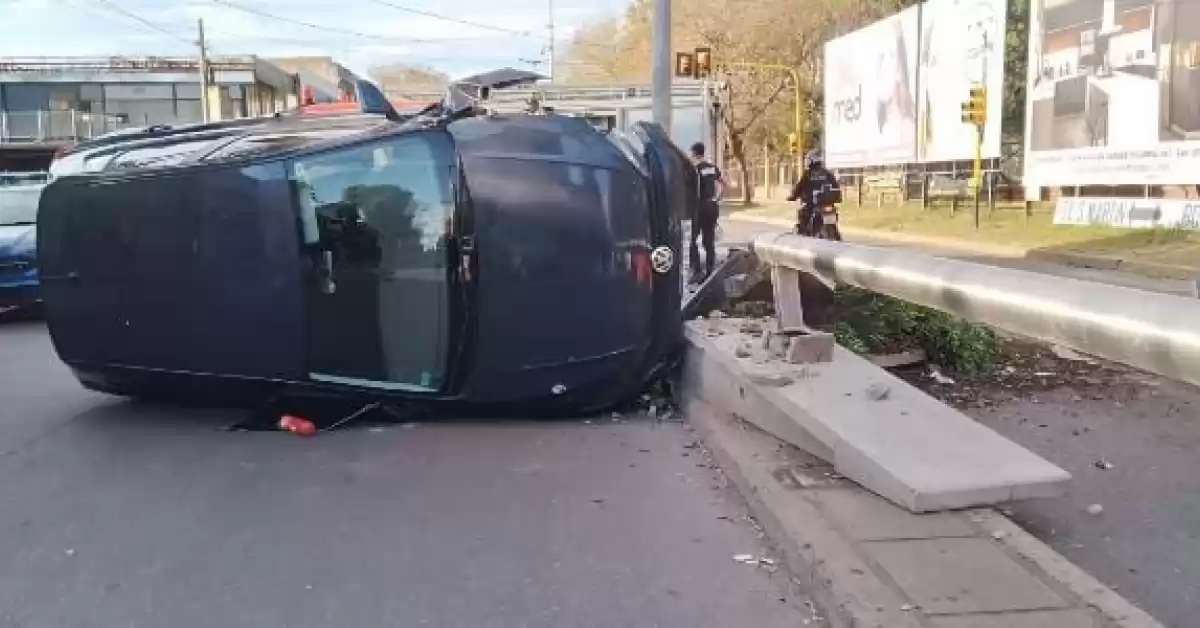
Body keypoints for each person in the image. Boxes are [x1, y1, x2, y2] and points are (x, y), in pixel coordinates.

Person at [689, 142, 723, 283]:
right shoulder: (713, 168)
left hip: (699, 208)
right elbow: (722, 183)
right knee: (709, 241)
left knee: (691, 240)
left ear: (694, 153)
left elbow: (691, 191)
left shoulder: (694, 170)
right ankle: (710, 271)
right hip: (712, 207)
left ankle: (696, 271)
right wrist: (717, 198)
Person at [787, 149, 841, 237]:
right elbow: (835, 186)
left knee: (803, 214)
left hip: (814, 204)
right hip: (829, 204)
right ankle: (835, 236)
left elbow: (799, 187)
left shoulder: (808, 174)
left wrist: (793, 196)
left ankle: (802, 235)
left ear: (811, 160)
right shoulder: (827, 173)